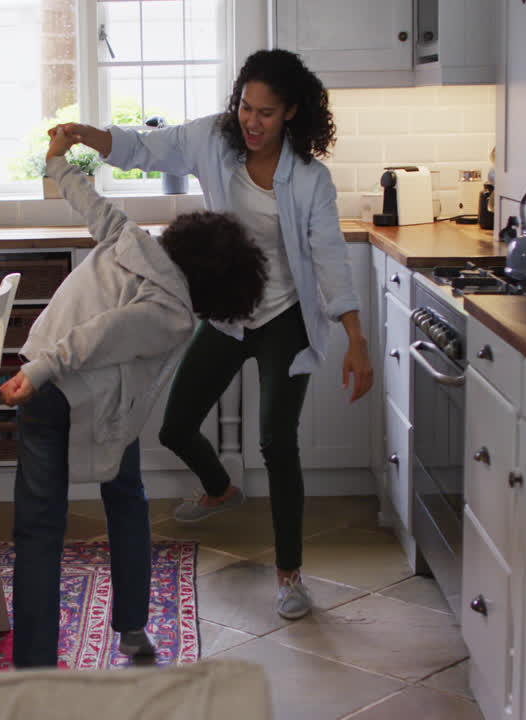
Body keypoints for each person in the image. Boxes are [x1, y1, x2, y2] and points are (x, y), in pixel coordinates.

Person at [48, 48, 374, 620]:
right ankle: (221, 487)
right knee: (175, 425)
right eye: (246, 107)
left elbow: (327, 256)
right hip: (228, 312)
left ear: (292, 113)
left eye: (266, 113)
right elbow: (147, 148)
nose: (252, 121)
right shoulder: (213, 140)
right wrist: (85, 135)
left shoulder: (310, 179)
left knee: (276, 441)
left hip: (284, 317)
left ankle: (290, 576)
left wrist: (355, 335)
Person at [0, 127, 267, 668]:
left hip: (56, 384)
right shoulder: (171, 312)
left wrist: (59, 164)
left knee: (39, 526)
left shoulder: (130, 238)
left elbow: (90, 203)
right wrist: (47, 370)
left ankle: (35, 667)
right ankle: (130, 630)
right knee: (124, 501)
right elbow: (106, 331)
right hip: (66, 391)